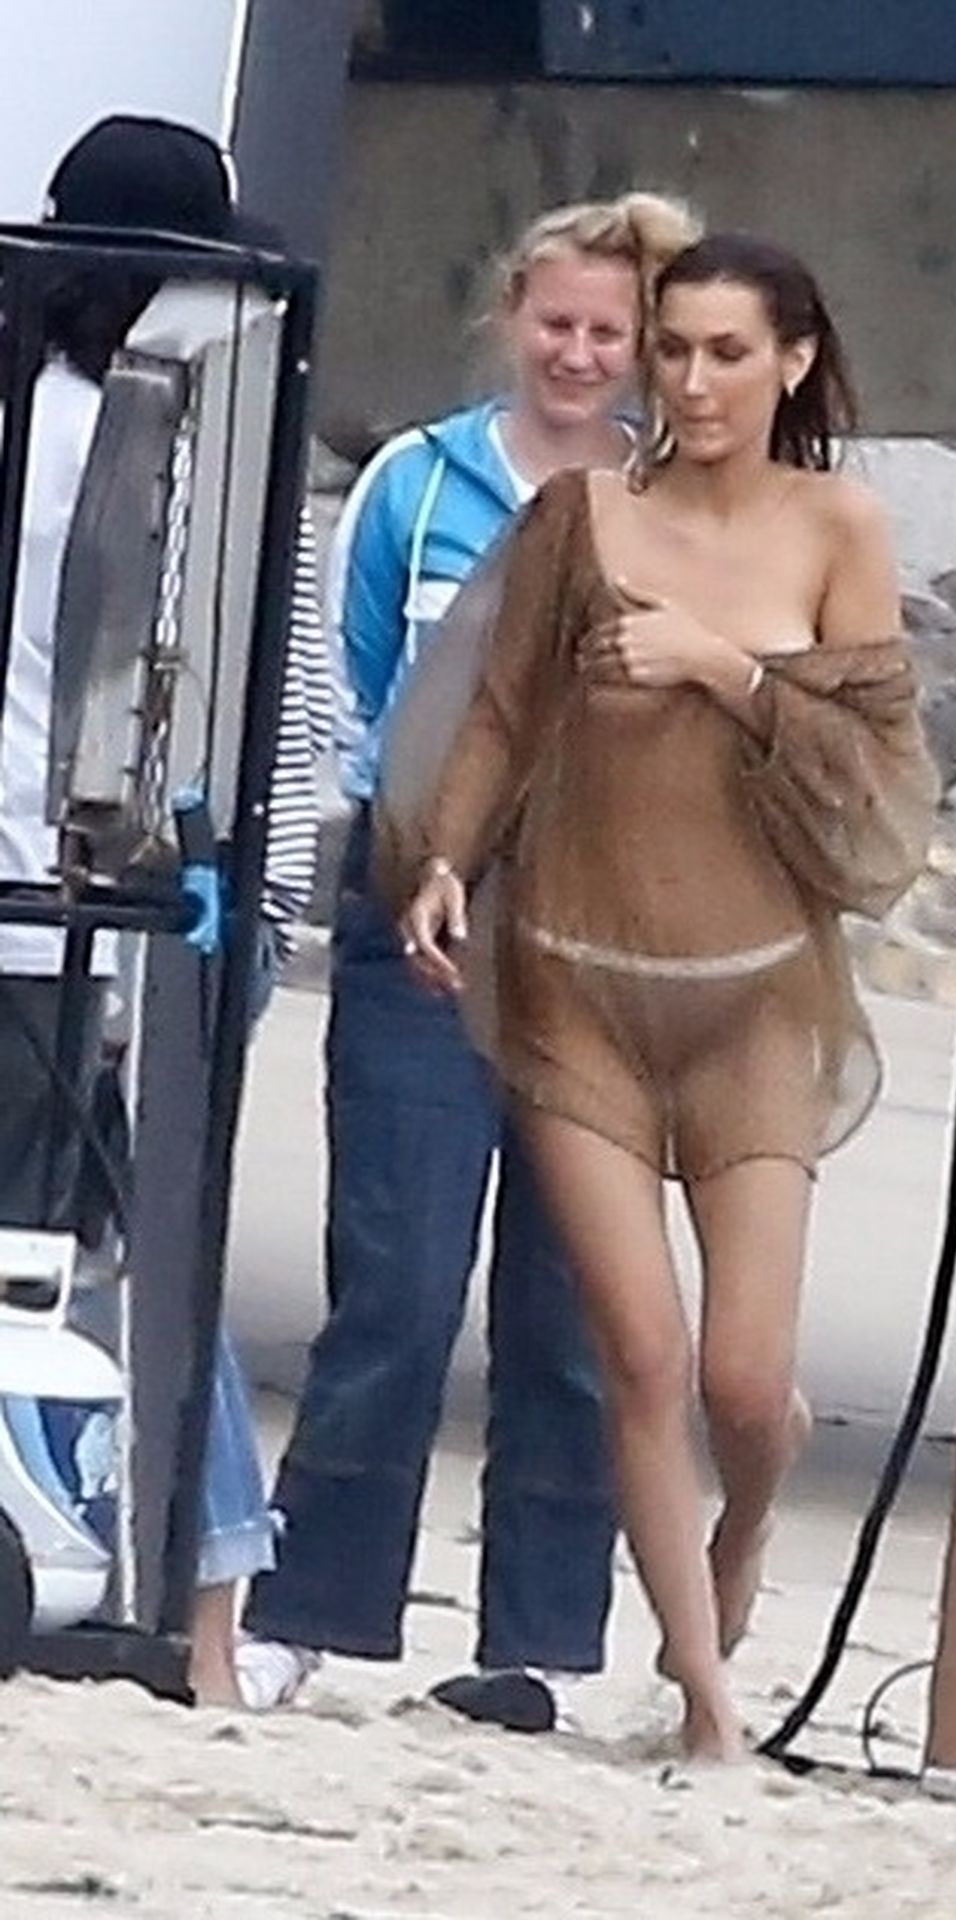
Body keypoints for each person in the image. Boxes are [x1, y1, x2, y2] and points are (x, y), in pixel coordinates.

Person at [392, 232, 939, 1759]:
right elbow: (500, 714)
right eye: (674, 349)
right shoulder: (580, 516)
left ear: (792, 364)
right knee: (637, 1355)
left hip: (754, 1003)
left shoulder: (837, 528)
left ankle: (746, 1519)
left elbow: (879, 783)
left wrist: (726, 670)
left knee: (744, 1383)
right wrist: (442, 862)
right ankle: (704, 1699)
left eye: (725, 354)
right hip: (575, 986)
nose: (692, 383)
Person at [239, 192, 702, 1729]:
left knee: (567, 1312)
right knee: (395, 1283)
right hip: (423, 921)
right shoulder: (415, 481)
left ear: (642, 347)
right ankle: (312, 1610)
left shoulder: (677, 499)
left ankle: (540, 1644)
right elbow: (350, 684)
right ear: (513, 318)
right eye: (555, 324)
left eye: (605, 333)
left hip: (609, 943)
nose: (577, 354)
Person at [0, 114, 330, 1707]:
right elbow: (256, 702)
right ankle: (203, 1611)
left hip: (59, 887)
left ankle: (185, 1596)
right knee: (112, 1250)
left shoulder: (41, 419)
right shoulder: (172, 446)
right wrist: (249, 895)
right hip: (88, 899)